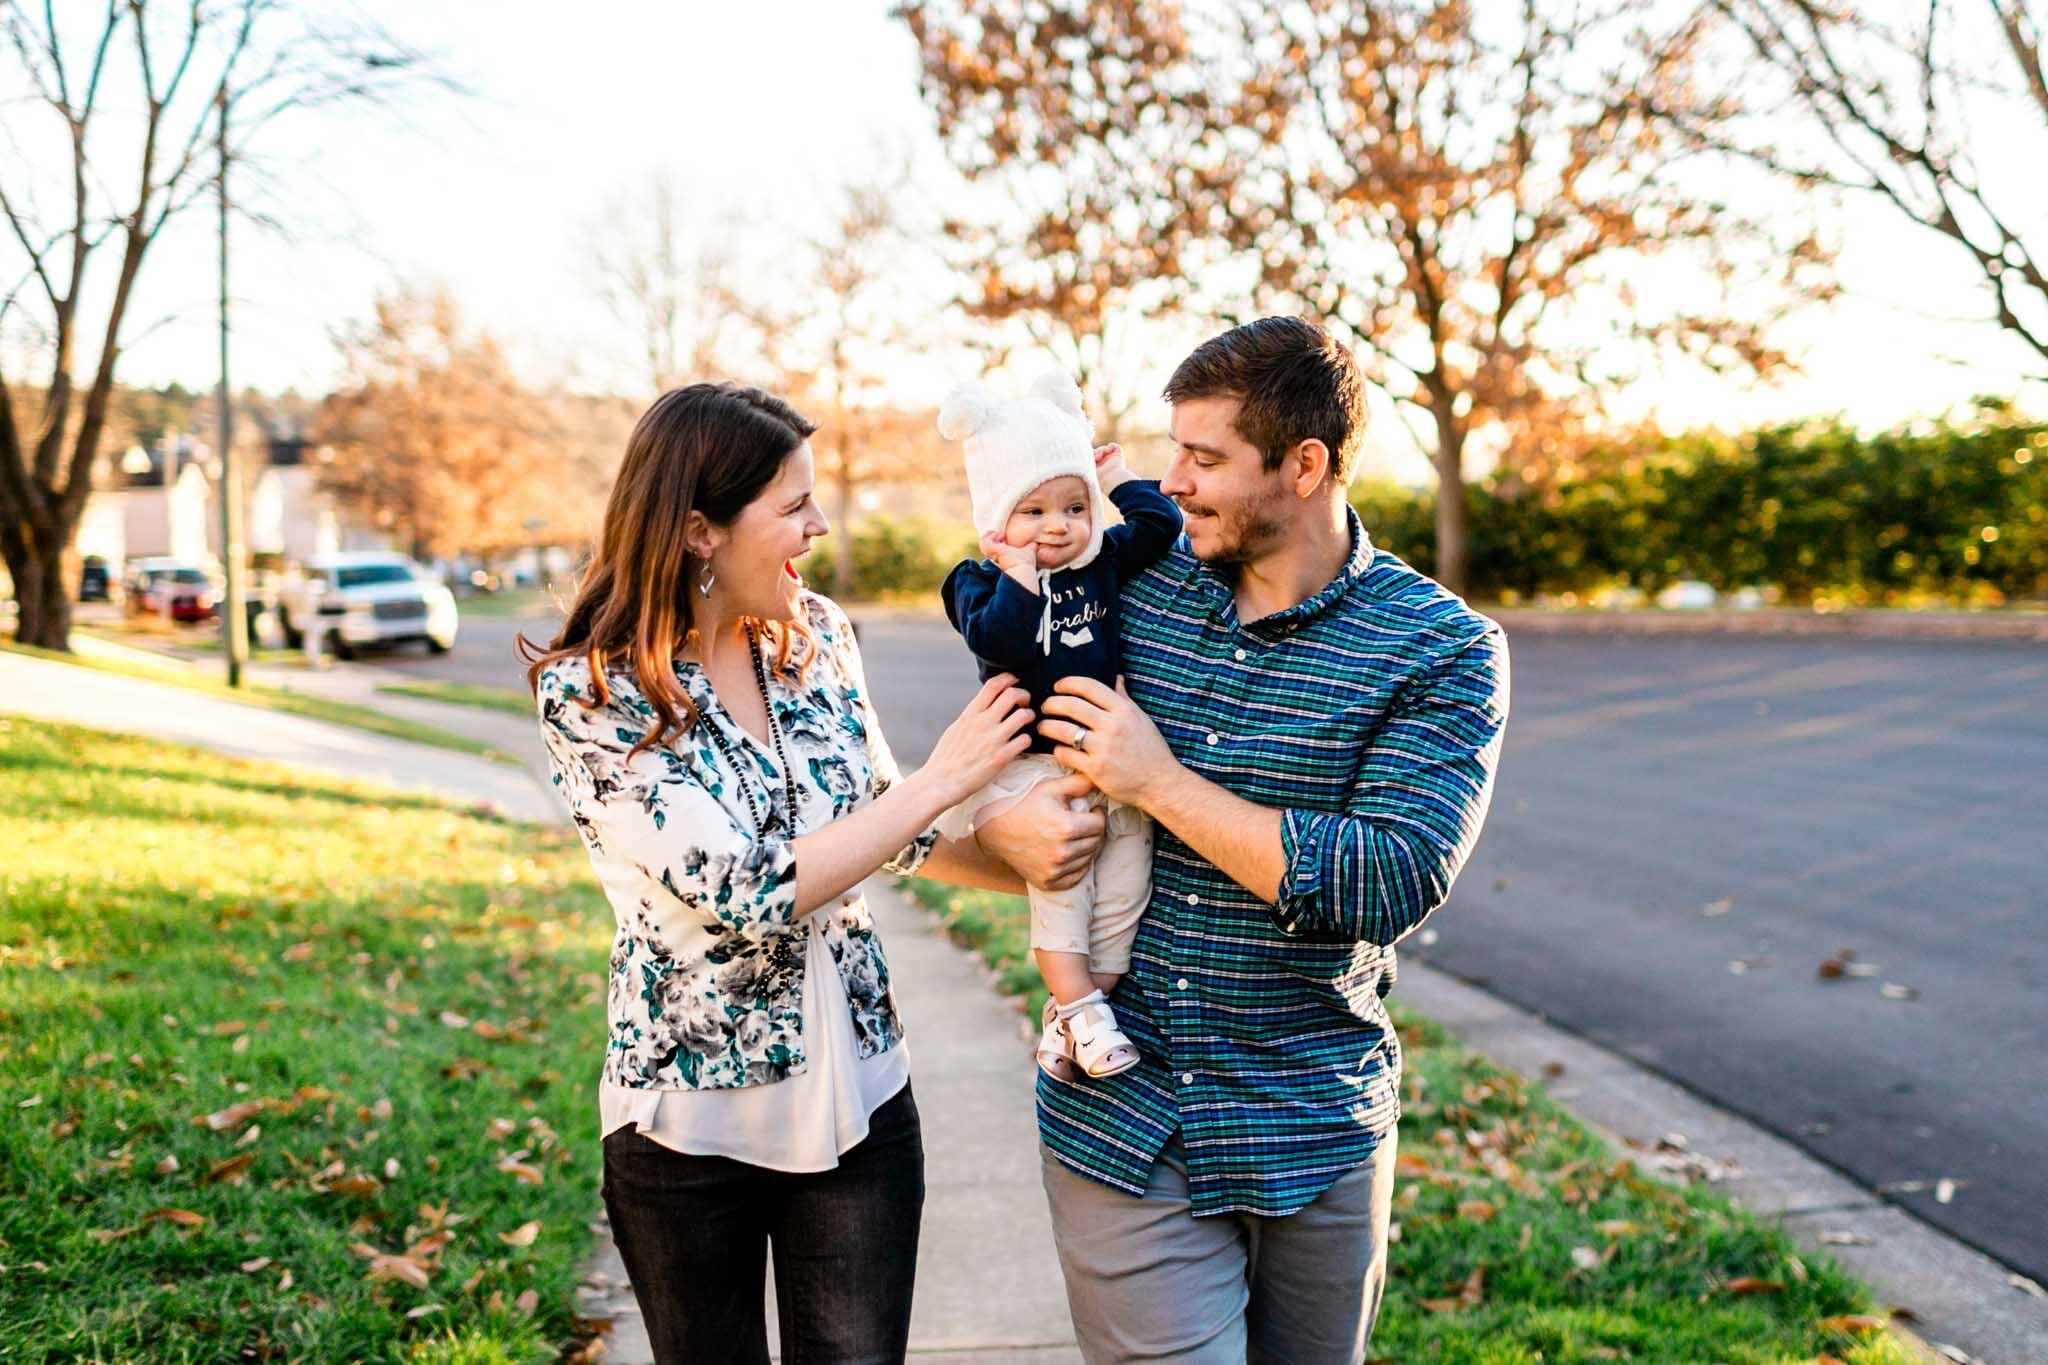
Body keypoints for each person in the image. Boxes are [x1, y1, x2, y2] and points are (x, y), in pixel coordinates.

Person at [975, 317, 1512, 1363]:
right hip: (1124, 1119)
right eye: (1172, 450)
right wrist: (1008, 824)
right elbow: (988, 776)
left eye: (1204, 458)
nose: (1169, 481)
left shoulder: (1438, 648)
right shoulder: (1122, 588)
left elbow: (1387, 877)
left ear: (1303, 465)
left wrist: (1158, 784)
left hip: (1314, 1117)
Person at [523, 382, 1034, 1365]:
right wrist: (941, 783)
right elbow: (743, 887)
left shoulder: (816, 639)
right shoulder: (591, 696)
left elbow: (895, 828)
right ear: (700, 531)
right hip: (688, 1133)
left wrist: (1043, 868)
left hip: (864, 1113)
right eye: (793, 504)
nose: (819, 523)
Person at [934, 371, 1182, 1080]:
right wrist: (1019, 575)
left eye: (1074, 507)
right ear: (996, 522)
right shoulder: (978, 583)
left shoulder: (1098, 559)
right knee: (1065, 890)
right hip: (1038, 771)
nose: (1057, 526)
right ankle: (1078, 1005)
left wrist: (1118, 478)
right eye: (1034, 510)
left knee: (1128, 890)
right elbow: (1002, 644)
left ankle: (1073, 1018)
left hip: (1110, 762)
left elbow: (1160, 528)